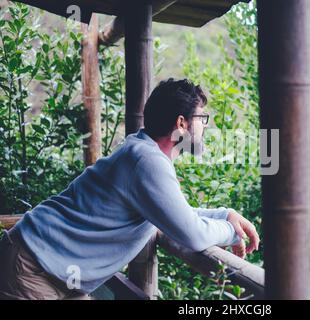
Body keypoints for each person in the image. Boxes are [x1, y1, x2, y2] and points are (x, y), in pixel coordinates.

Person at [0, 78, 260, 300]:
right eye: (202, 118)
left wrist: (225, 215)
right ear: (182, 123)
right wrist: (232, 232)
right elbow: (191, 233)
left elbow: (173, 213)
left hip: (50, 268)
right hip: (33, 268)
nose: (206, 126)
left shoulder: (141, 151)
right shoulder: (147, 161)